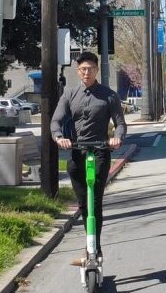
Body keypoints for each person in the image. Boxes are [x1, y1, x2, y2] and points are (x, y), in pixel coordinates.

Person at [51, 51, 127, 264]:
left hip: (100, 151)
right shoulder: (69, 94)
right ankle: (89, 247)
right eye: (83, 69)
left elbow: (120, 123)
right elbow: (55, 121)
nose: (87, 72)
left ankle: (95, 250)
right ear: (78, 71)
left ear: (96, 70)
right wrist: (59, 137)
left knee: (95, 201)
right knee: (84, 203)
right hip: (77, 152)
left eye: (91, 69)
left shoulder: (108, 95)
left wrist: (117, 138)